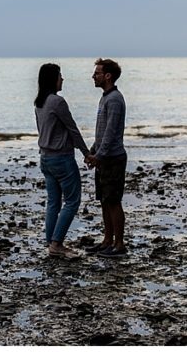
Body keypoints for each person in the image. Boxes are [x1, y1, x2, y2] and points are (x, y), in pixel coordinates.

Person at [34, 63, 91, 259]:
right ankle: (57, 244)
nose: (62, 79)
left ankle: (51, 242)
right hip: (61, 158)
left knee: (53, 202)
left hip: (45, 157)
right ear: (52, 79)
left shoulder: (39, 103)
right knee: (72, 201)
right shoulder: (57, 102)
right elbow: (72, 129)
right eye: (60, 75)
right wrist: (86, 153)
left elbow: (41, 130)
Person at [84, 57, 128, 257]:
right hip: (103, 157)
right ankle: (107, 240)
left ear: (108, 76)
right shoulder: (105, 97)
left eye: (97, 73)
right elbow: (101, 132)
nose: (94, 76)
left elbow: (111, 133)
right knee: (104, 200)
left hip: (113, 158)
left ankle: (119, 245)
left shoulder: (115, 99)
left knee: (113, 200)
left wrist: (99, 156)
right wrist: (93, 152)